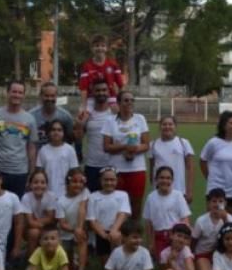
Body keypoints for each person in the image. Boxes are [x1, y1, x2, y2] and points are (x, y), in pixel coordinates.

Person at [0, 80, 38, 198]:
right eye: (14, 91)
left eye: (20, 92)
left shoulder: (30, 119)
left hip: (19, 172)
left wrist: (31, 172)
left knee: (16, 209)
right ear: (7, 92)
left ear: (24, 95)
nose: (17, 95)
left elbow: (31, 148)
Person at [102, 90, 149, 220]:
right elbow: (106, 147)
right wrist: (124, 147)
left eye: (131, 100)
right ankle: (118, 236)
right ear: (118, 103)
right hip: (116, 170)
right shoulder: (110, 121)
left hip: (136, 169)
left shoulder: (140, 119)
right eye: (126, 100)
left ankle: (134, 236)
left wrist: (134, 150)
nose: (129, 103)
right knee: (117, 206)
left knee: (136, 205)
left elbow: (146, 144)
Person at [143, 166, 191, 260]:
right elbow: (149, 223)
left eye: (168, 178)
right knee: (166, 266)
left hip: (176, 235)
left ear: (172, 180)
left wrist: (183, 239)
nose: (165, 181)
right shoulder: (151, 197)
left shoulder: (178, 195)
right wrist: (151, 243)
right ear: (156, 180)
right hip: (159, 236)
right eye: (162, 178)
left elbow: (185, 219)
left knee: (180, 262)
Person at [200, 111, 232, 216]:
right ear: (224, 125)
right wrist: (210, 178)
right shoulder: (214, 142)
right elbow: (203, 160)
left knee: (229, 223)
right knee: (213, 222)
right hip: (215, 188)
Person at [191, 188, 232, 270]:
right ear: (208, 204)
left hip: (221, 254)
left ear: (225, 203)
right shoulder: (201, 221)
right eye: (214, 201)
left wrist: (224, 219)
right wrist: (192, 259)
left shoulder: (230, 219)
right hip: (203, 254)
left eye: (220, 201)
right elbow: (193, 241)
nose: (217, 204)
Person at [74, 79, 113, 192]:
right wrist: (80, 125)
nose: (101, 93)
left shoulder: (114, 113)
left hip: (111, 165)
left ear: (109, 92)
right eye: (98, 90)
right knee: (91, 201)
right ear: (93, 93)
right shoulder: (87, 114)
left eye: (104, 90)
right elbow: (79, 138)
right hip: (91, 165)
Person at [87, 167, 131, 266]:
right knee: (107, 267)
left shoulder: (123, 195)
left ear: (117, 180)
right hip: (102, 233)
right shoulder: (93, 197)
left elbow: (123, 214)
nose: (109, 183)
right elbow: (92, 220)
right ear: (100, 180)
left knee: (119, 264)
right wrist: (104, 235)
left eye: (112, 180)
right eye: (106, 180)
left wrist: (114, 231)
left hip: (119, 232)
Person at [148, 116, 195, 203]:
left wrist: (189, 191)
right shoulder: (153, 144)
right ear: (160, 127)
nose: (167, 127)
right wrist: (153, 186)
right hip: (159, 190)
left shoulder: (183, 143)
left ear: (175, 127)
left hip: (179, 190)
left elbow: (190, 168)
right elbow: (151, 168)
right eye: (164, 124)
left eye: (170, 124)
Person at [56, 168, 90, 270]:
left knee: (82, 239)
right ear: (68, 183)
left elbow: (82, 209)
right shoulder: (60, 201)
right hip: (65, 234)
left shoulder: (84, 193)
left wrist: (79, 229)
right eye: (74, 182)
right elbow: (62, 223)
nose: (78, 185)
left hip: (78, 232)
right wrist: (74, 230)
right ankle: (72, 263)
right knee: (68, 268)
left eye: (81, 182)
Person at [78, 34, 124, 111]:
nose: (100, 48)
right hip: (92, 98)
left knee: (116, 117)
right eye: (97, 46)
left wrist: (120, 103)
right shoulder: (87, 66)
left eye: (103, 46)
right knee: (83, 118)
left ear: (106, 48)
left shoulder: (113, 64)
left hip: (110, 98)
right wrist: (83, 106)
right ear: (92, 48)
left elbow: (121, 86)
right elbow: (83, 89)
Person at [20, 170, 58, 257]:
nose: (39, 185)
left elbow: (50, 218)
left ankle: (51, 258)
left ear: (47, 185)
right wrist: (41, 225)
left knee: (50, 234)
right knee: (34, 232)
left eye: (42, 182)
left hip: (48, 227)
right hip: (30, 228)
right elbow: (29, 222)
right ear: (30, 184)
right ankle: (31, 261)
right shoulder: (26, 198)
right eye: (35, 182)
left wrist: (37, 222)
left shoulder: (51, 196)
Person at [36, 119, 79, 196]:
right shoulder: (43, 150)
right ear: (49, 132)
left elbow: (74, 172)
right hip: (47, 192)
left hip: (65, 193)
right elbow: (40, 172)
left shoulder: (69, 150)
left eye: (59, 130)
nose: (56, 132)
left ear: (63, 133)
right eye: (53, 130)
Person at [28, 82, 74, 152]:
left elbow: (70, 139)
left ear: (56, 96)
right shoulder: (31, 116)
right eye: (46, 95)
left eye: (52, 96)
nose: (49, 99)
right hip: (37, 159)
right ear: (41, 96)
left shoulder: (65, 116)